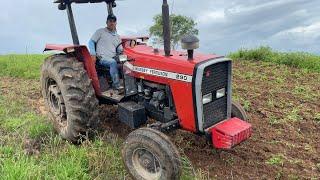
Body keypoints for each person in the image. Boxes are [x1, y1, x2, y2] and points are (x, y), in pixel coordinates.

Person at [88, 14, 123, 91]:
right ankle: (116, 85)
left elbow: (120, 50)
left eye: (114, 21)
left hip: (113, 56)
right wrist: (93, 54)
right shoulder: (100, 31)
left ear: (116, 23)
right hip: (102, 58)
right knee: (113, 62)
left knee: (127, 62)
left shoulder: (117, 36)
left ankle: (130, 84)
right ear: (106, 22)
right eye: (110, 21)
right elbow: (91, 42)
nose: (112, 23)